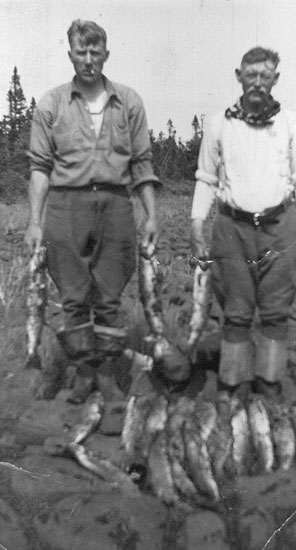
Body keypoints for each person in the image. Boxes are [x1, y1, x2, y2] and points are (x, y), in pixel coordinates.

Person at [25, 20, 160, 404]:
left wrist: (151, 215)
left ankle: (108, 375)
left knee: (109, 294)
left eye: (95, 53)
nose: (88, 60)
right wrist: (35, 222)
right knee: (73, 294)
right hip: (66, 205)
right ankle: (83, 371)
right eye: (80, 53)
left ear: (106, 54)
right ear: (70, 55)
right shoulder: (51, 103)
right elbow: (39, 168)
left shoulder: (129, 102)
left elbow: (142, 165)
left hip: (116, 204)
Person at [190, 46, 296, 402]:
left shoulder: (291, 124)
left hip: (280, 227)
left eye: (265, 76)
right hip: (231, 230)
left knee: (276, 313)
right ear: (239, 76)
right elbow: (205, 178)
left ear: (275, 79)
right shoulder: (218, 123)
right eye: (250, 75)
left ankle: (268, 386)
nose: (257, 83)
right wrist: (195, 225)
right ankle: (232, 387)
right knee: (235, 314)